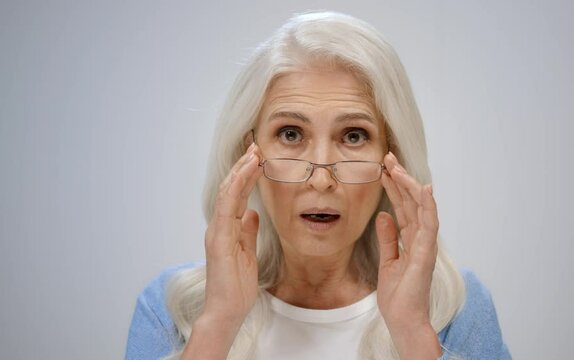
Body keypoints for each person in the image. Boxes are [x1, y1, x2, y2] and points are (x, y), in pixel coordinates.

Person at [125, 11, 511, 360]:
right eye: (290, 133)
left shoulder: (456, 307)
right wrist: (218, 324)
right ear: (250, 154)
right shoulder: (172, 307)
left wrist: (413, 333)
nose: (322, 180)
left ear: (391, 159)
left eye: (354, 136)